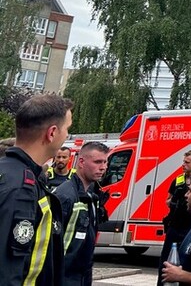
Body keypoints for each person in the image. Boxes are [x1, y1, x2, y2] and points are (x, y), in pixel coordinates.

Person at [0, 94, 72, 286]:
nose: (67, 136)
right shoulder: (22, 189)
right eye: (67, 129)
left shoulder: (10, 173)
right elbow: (8, 271)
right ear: (52, 133)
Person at [56, 141, 110, 286]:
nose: (103, 167)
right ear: (81, 162)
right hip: (64, 278)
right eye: (98, 162)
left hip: (82, 276)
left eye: (105, 162)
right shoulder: (65, 196)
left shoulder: (91, 196)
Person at [159, 149, 191, 286]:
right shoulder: (178, 180)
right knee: (165, 260)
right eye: (183, 162)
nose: (183, 165)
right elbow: (167, 200)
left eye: (187, 162)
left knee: (187, 261)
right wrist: (173, 202)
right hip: (175, 226)